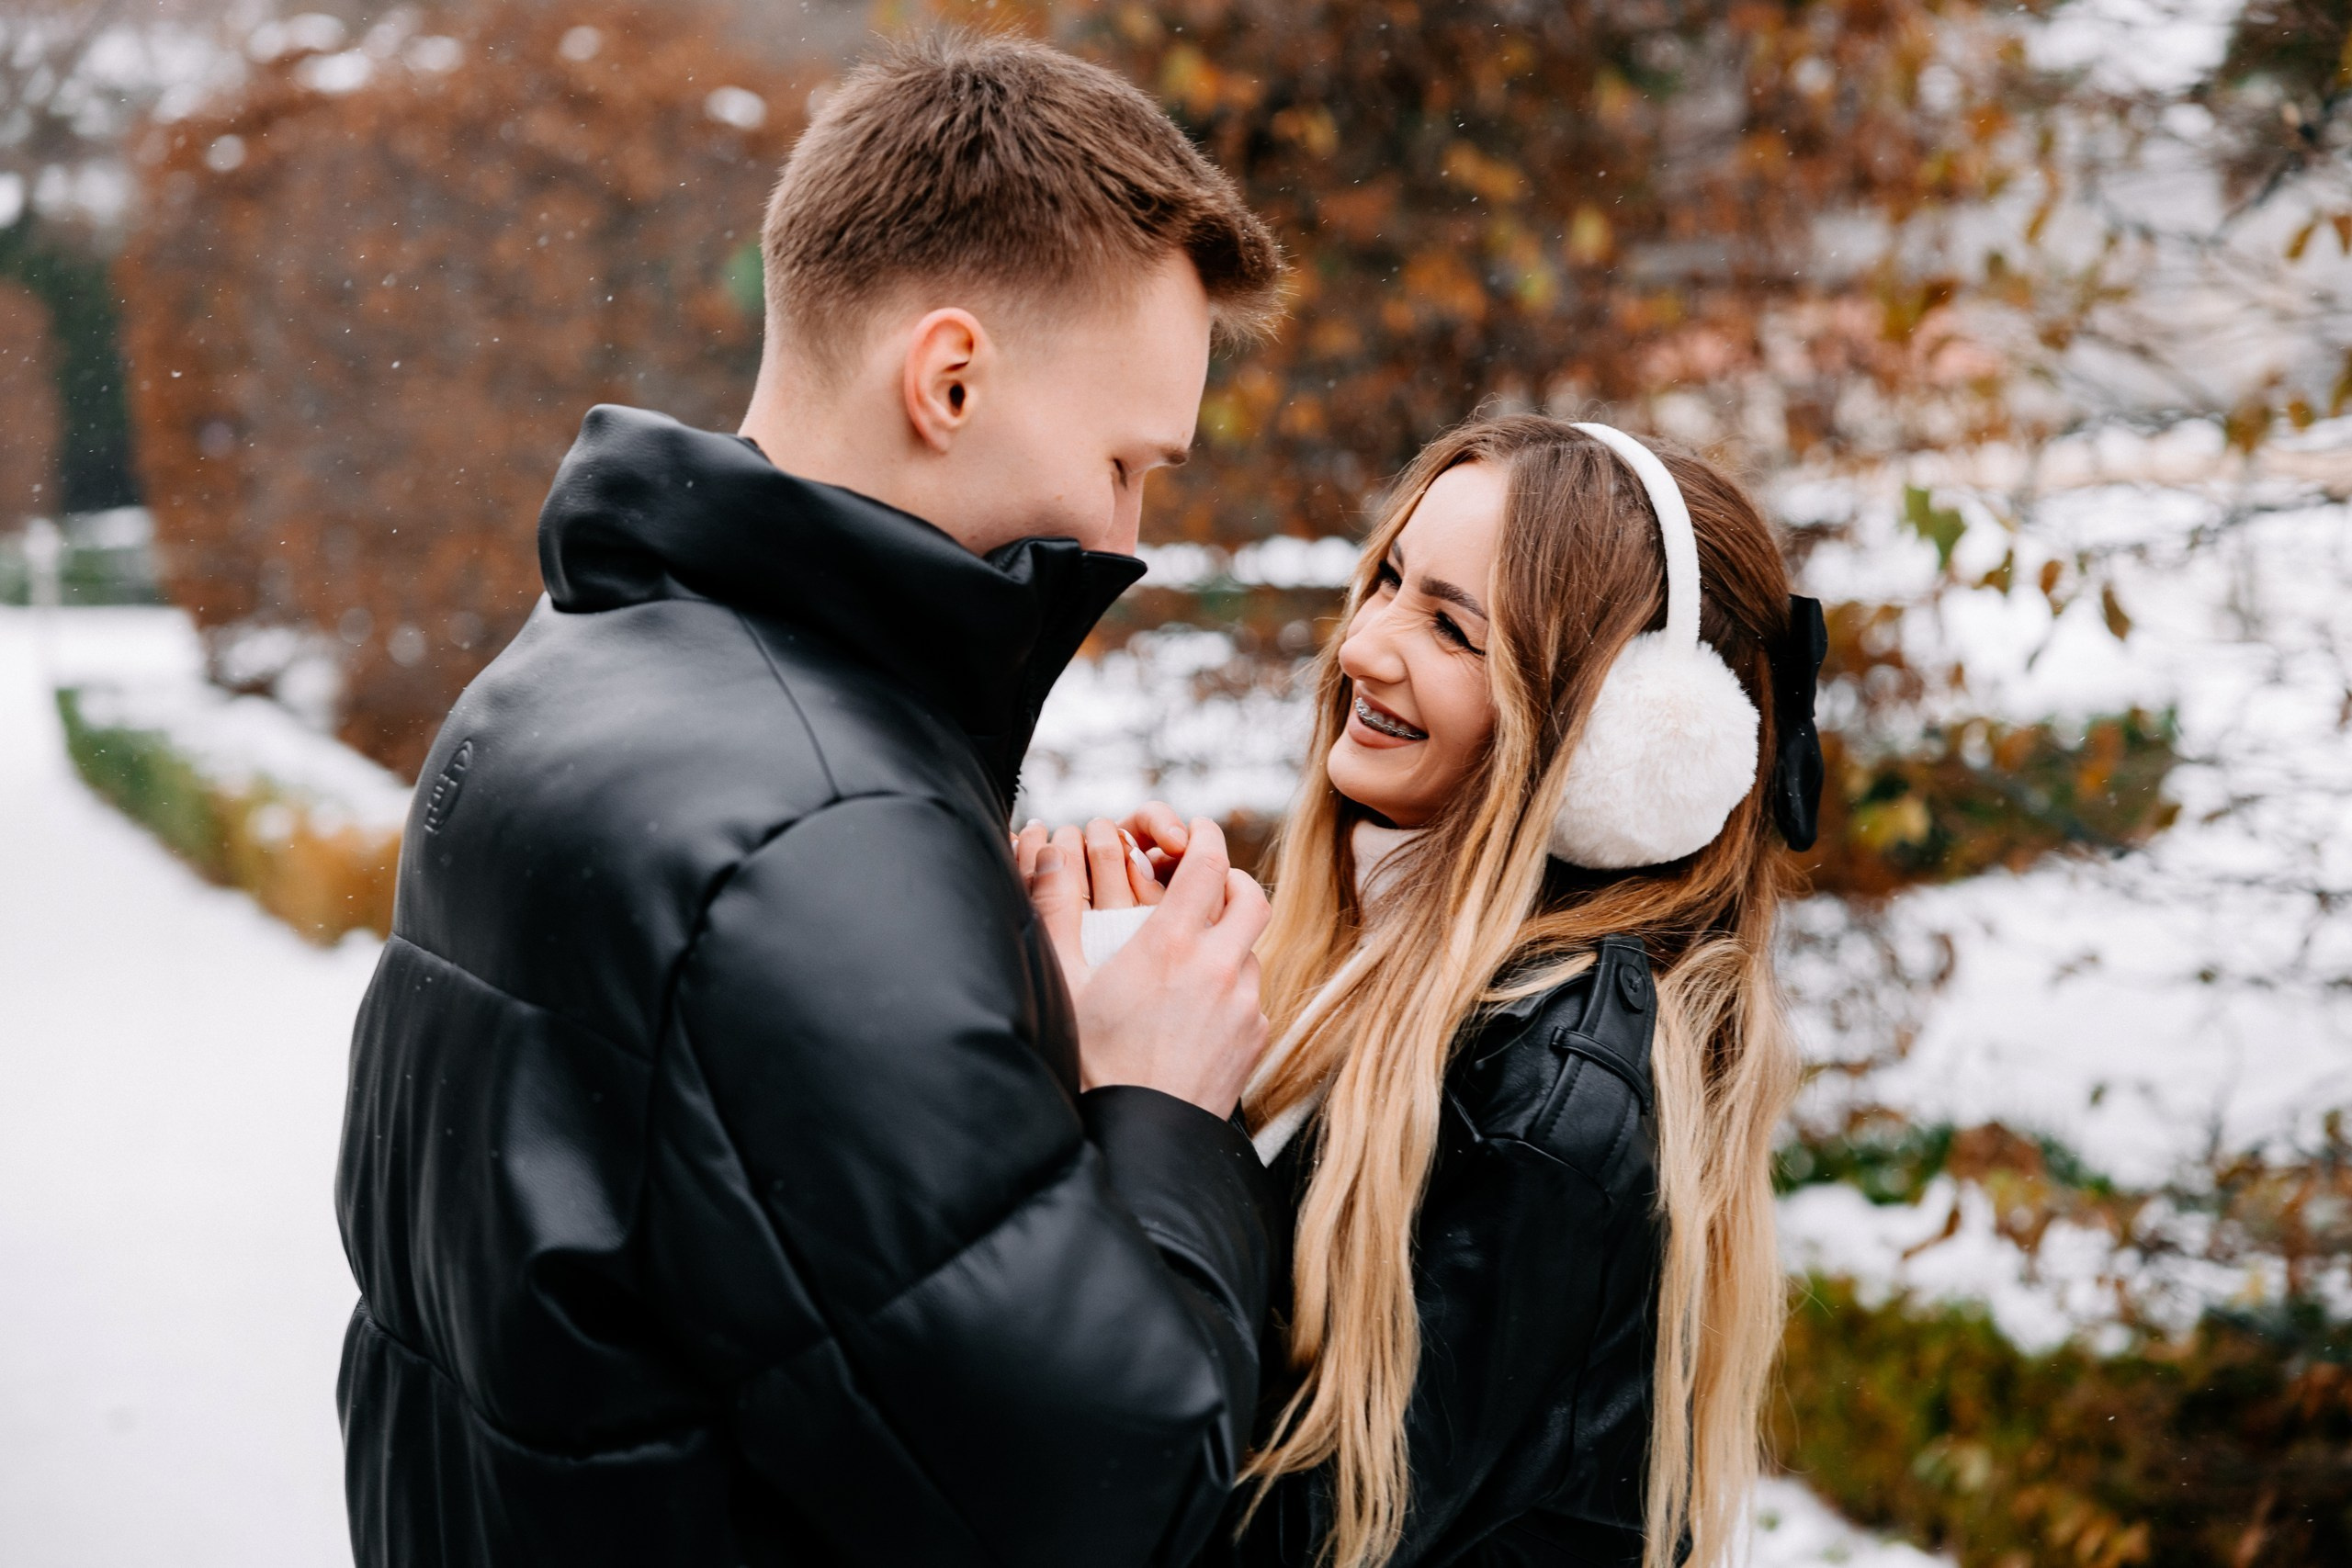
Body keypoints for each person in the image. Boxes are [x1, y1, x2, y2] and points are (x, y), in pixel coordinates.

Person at [334, 34, 1291, 1568]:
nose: (1133, 530)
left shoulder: (567, 676)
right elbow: (1126, 1499)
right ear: (951, 377)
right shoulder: (823, 840)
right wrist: (1159, 1101)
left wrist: (992, 1000)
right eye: (1127, 461)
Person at [1031, 415, 1827, 1568]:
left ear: (1618, 743)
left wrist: (1157, 1115)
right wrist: (1111, 1013)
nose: (1363, 646)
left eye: (1454, 629)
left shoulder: (1558, 1107)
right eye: (1389, 581)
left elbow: (1254, 1539)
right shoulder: (1392, 976)